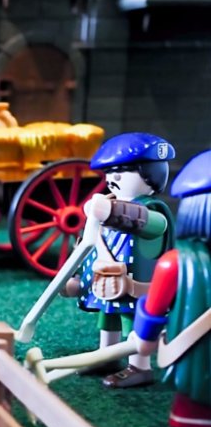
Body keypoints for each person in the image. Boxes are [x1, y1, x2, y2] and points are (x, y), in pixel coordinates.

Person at [71, 132, 175, 389]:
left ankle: (140, 366)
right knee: (107, 318)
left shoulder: (154, 212)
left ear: (150, 174)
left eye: (122, 171)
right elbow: (89, 244)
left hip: (136, 285)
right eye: (110, 172)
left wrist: (109, 211)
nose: (113, 178)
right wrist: (77, 280)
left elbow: (140, 221)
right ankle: (106, 356)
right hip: (105, 283)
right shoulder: (104, 205)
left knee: (134, 323)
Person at [132, 149, 211, 427]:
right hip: (197, 355)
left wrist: (145, 340)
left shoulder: (175, 263)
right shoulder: (175, 264)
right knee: (192, 399)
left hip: (195, 357)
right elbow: (153, 309)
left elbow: (152, 312)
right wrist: (145, 338)